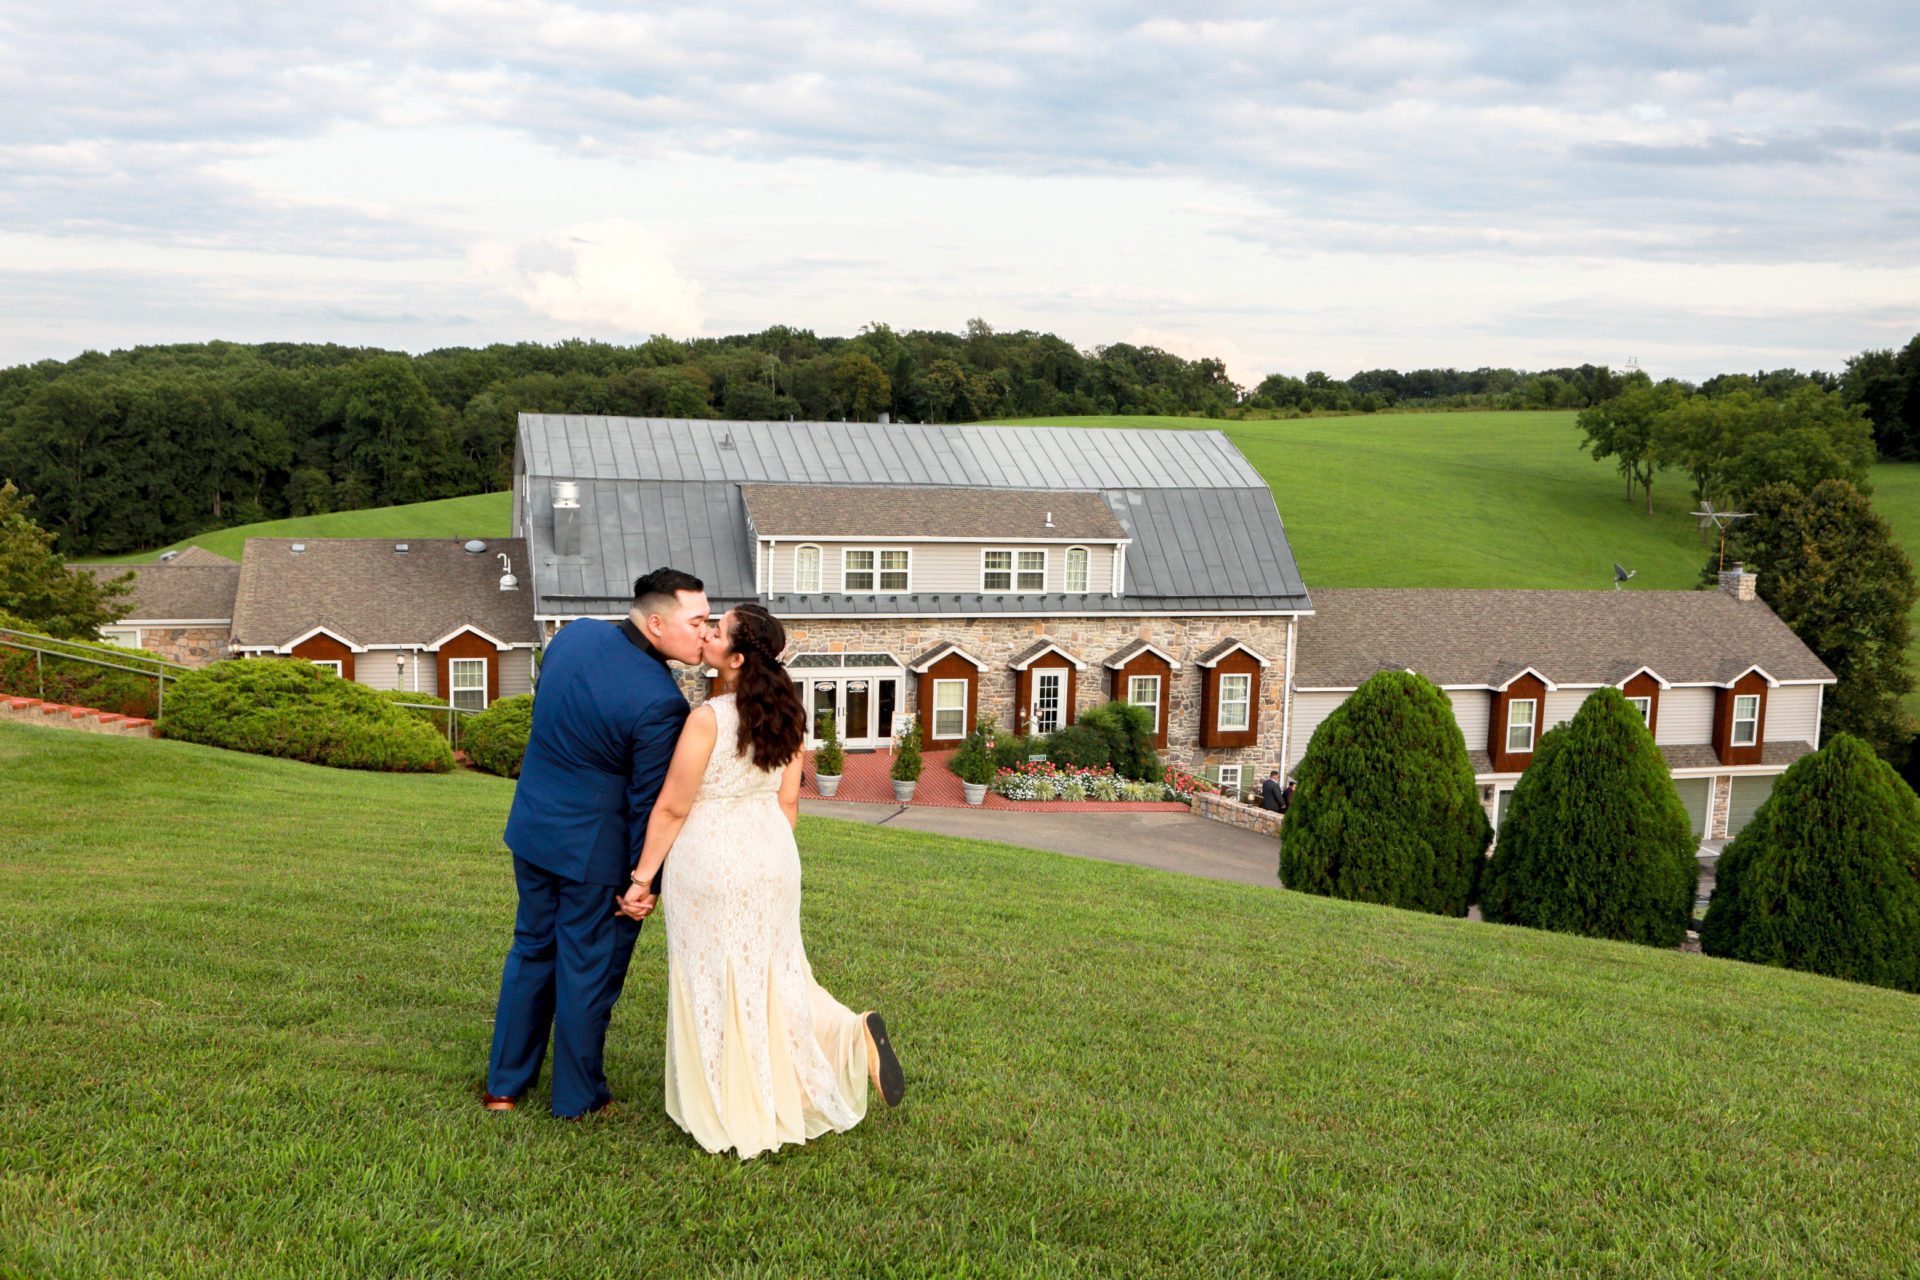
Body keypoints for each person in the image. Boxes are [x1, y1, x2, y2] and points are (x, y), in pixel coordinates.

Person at [617, 602, 904, 1159]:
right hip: (773, 854)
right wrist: (771, 859)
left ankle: (731, 1104)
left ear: (736, 657)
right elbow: (789, 800)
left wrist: (641, 878)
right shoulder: (789, 712)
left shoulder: (708, 720)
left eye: (715, 631)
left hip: (713, 860)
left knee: (717, 980)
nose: (704, 635)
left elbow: (673, 808)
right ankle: (848, 1033)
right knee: (777, 973)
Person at [482, 568, 709, 1118]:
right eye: (697, 621)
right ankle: (577, 1099)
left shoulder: (573, 634)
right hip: (594, 855)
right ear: (656, 623)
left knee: (531, 949)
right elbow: (647, 804)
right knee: (587, 970)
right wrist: (643, 882)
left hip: (533, 828)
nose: (706, 632)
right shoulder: (661, 702)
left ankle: (504, 1089)